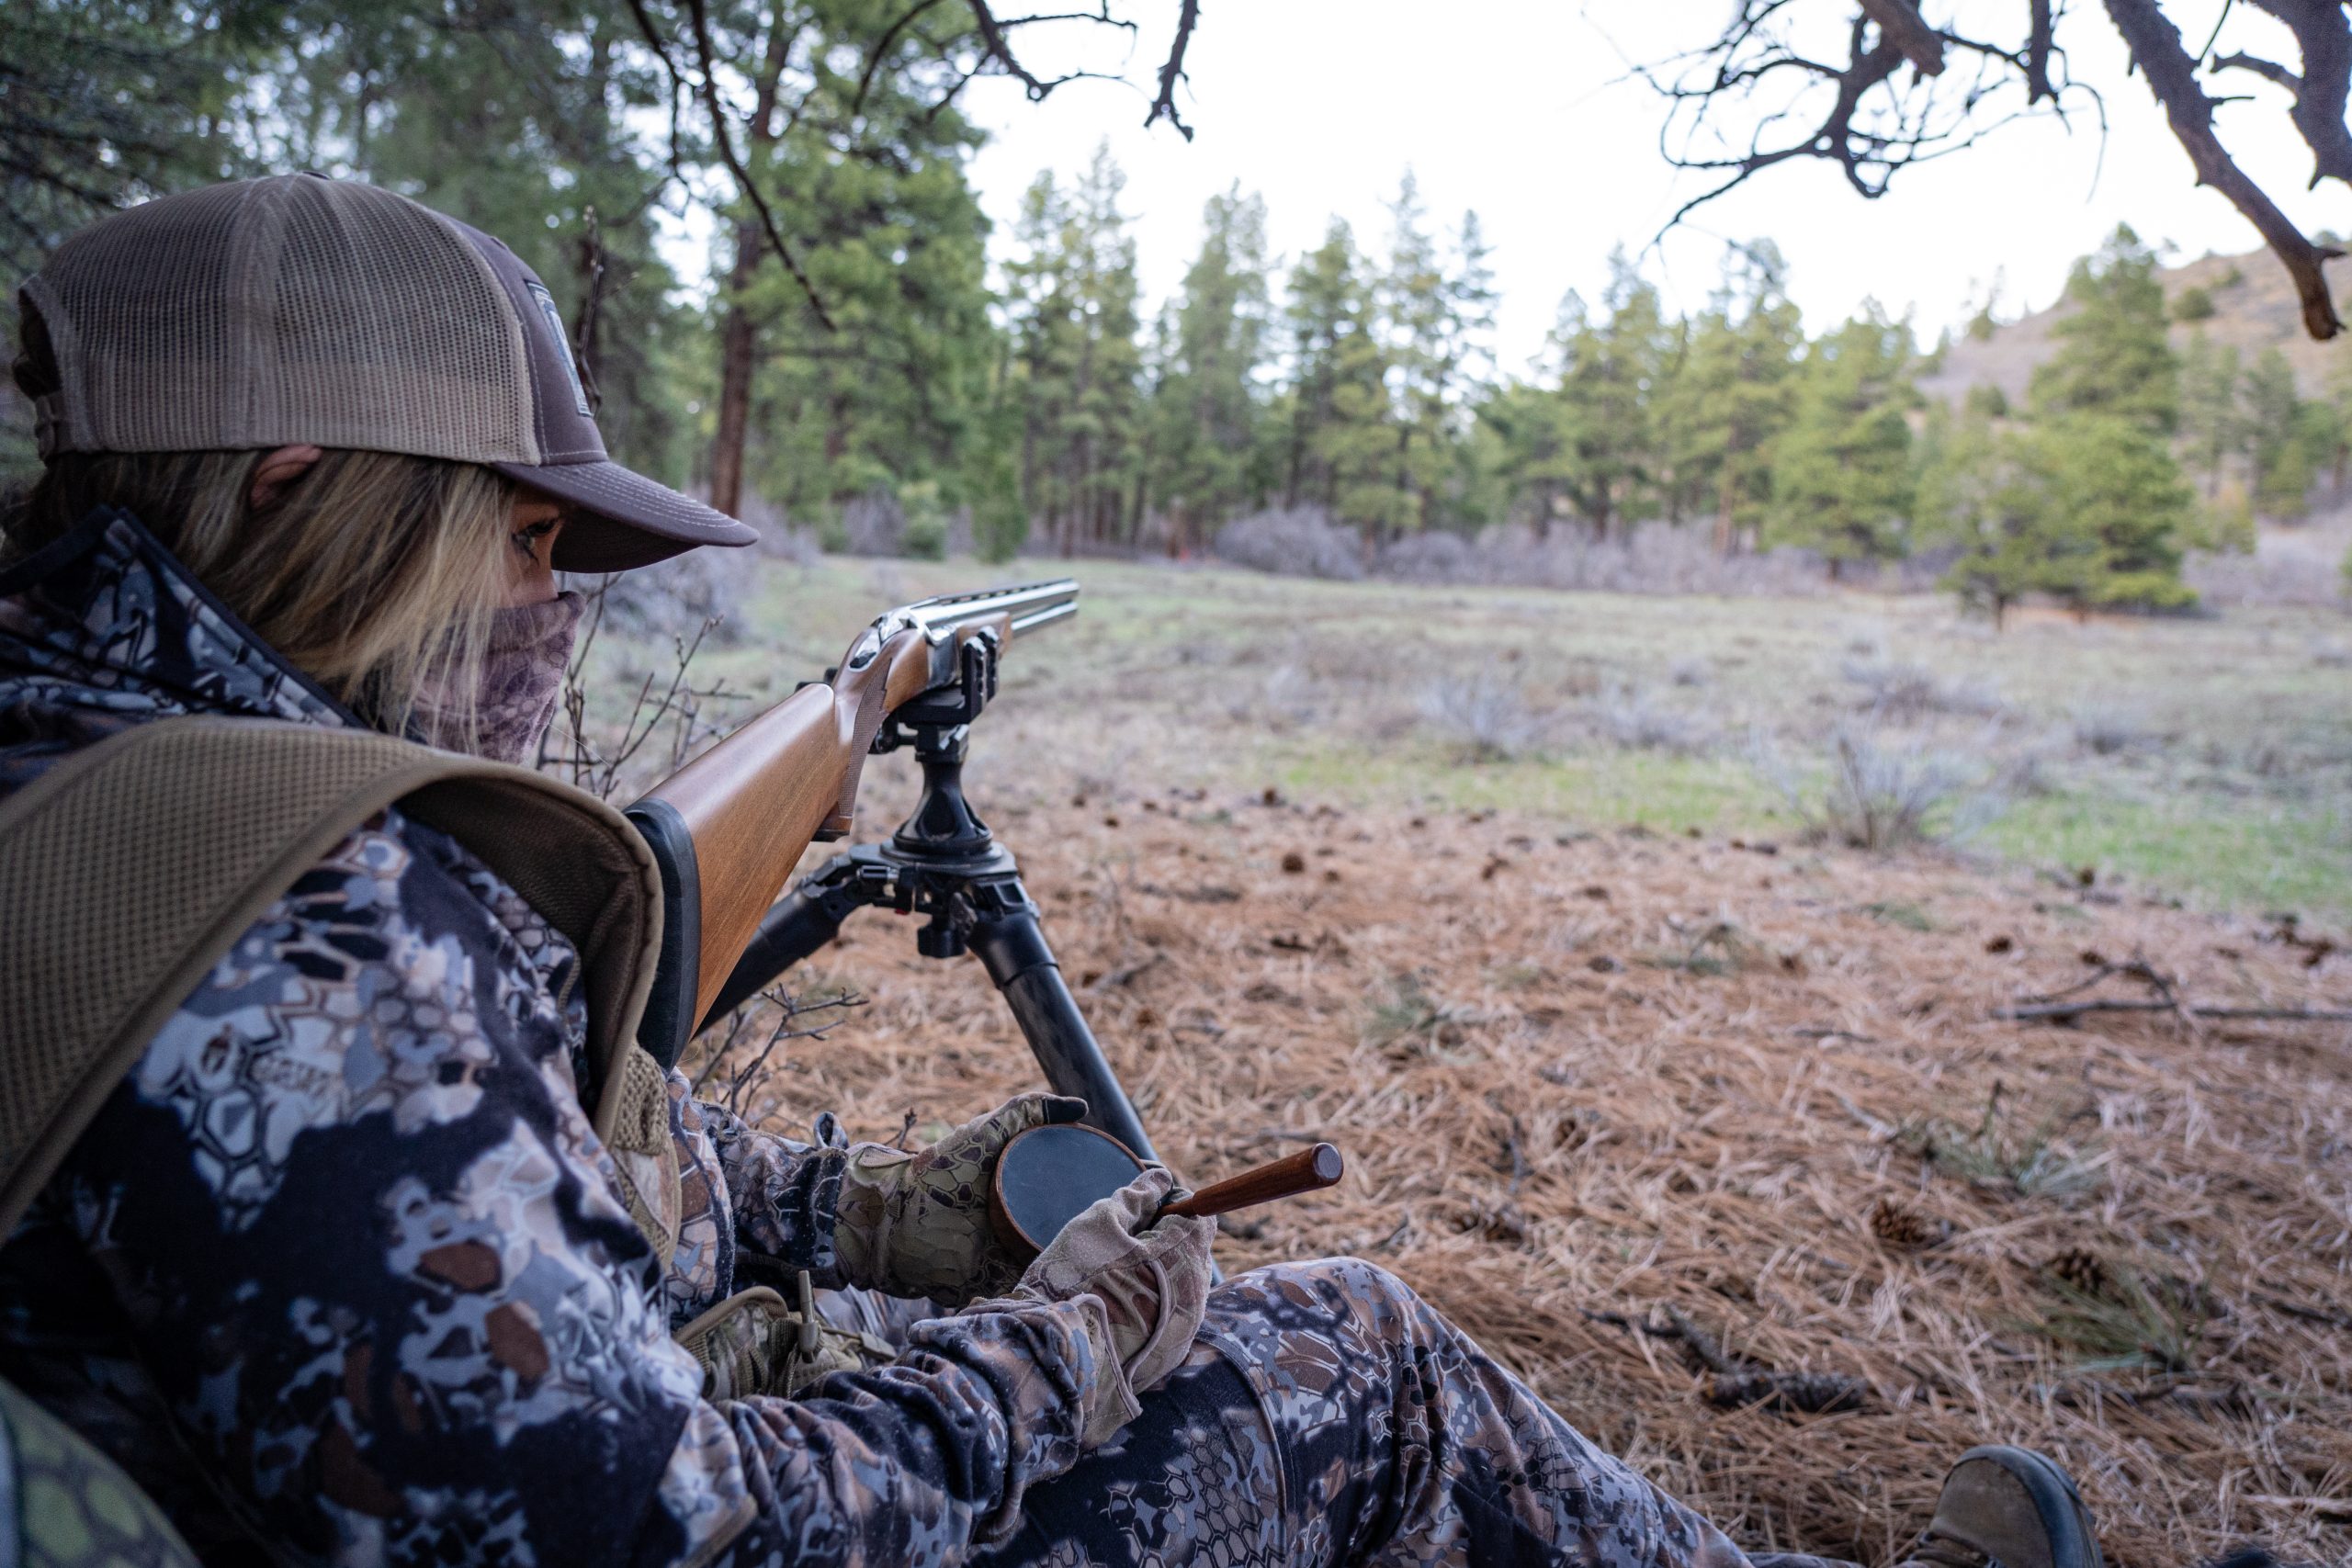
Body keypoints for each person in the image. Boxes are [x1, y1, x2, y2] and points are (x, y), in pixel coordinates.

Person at [0, 175, 2105, 1568]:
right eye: (532, 539)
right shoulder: (327, 920)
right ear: (308, 493)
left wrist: (857, 1211)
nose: (565, 607)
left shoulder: (100, 785)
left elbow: (455, 1175)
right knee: (1352, 1354)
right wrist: (1054, 1343)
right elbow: (675, 1534)